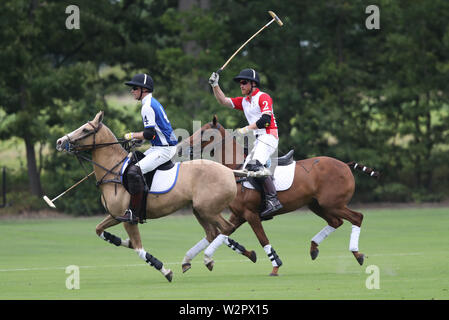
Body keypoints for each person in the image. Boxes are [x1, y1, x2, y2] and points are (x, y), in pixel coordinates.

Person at [208, 68, 282, 220]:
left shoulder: (263, 97)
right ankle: (260, 203)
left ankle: (273, 200)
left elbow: (265, 121)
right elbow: (223, 101)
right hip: (258, 138)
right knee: (244, 172)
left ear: (253, 84)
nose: (240, 85)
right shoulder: (244, 101)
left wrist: (245, 129)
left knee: (255, 165)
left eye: (243, 82)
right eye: (240, 83)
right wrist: (215, 85)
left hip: (268, 135)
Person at [117, 73, 178, 224]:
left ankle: (134, 212)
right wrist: (139, 139)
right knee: (134, 161)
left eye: (134, 88)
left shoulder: (147, 106)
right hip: (159, 146)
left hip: (164, 149)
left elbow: (149, 133)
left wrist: (132, 135)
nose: (132, 91)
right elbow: (154, 131)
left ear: (144, 89)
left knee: (134, 171)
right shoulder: (151, 103)